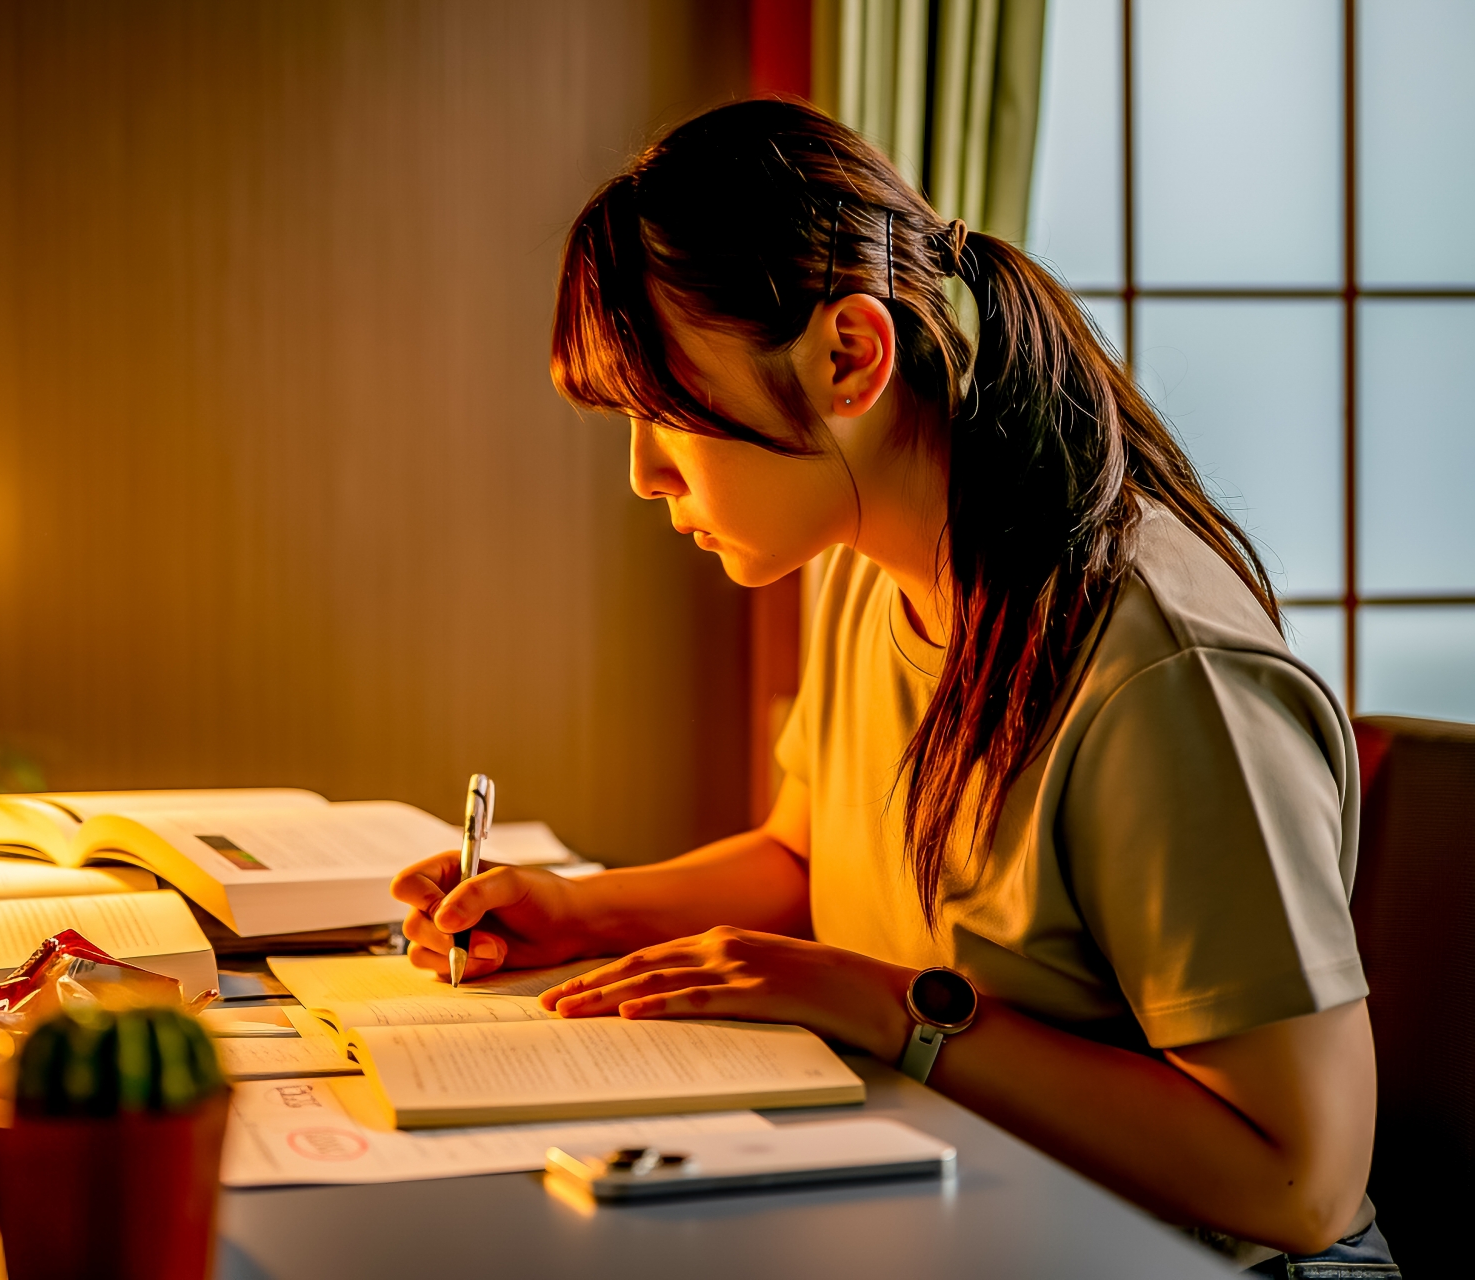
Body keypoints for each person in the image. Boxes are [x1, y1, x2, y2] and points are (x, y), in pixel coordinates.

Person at [389, 100, 1392, 1274]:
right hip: (980, 1211)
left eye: (664, 410)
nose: (644, 474)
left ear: (849, 357)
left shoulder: (1161, 672)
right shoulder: (869, 565)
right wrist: (576, 908)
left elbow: (1301, 1179)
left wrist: (889, 1007)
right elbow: (808, 861)